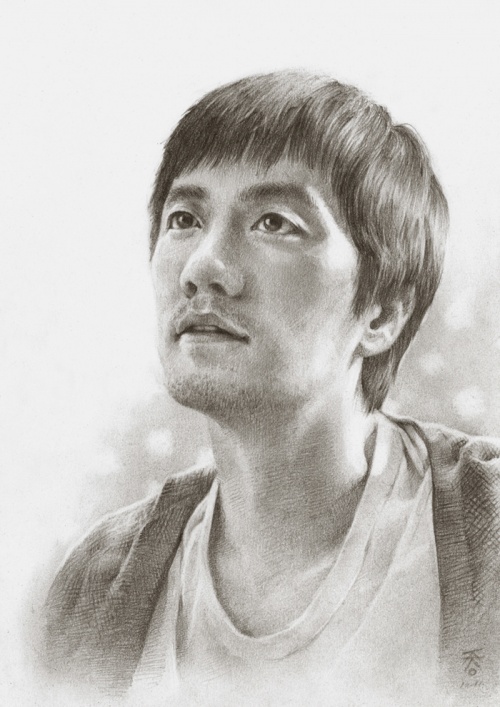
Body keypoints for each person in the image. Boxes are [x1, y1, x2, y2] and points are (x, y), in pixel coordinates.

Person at [42, 71, 500, 705]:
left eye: (275, 223)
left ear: (382, 313)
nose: (203, 267)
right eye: (184, 218)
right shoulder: (94, 584)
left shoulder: (485, 528)